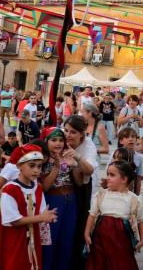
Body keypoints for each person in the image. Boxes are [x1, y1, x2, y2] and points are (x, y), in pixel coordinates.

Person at [0, 146, 57, 270]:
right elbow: (14, 220)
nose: (36, 170)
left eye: (39, 166)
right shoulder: (10, 189)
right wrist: (41, 217)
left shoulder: (37, 188)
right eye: (31, 166)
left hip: (33, 239)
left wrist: (48, 216)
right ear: (19, 166)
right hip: (15, 240)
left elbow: (41, 211)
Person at [84, 160, 143, 270]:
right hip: (100, 239)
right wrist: (87, 233)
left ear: (124, 179)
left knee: (121, 264)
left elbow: (142, 220)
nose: (108, 177)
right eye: (108, 174)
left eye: (112, 175)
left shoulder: (134, 199)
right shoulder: (101, 195)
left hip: (122, 241)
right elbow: (92, 215)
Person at [40, 127, 82, 270]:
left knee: (67, 239)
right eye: (53, 140)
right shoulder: (43, 160)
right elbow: (45, 187)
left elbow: (79, 182)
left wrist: (75, 165)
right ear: (46, 142)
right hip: (53, 201)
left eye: (60, 140)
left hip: (71, 201)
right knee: (50, 240)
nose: (58, 143)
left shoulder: (68, 156)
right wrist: (57, 167)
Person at [63, 115, 99, 270]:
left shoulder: (88, 145)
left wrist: (77, 157)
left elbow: (89, 170)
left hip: (83, 189)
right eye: (66, 130)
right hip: (62, 186)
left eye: (73, 132)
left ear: (82, 134)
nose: (68, 135)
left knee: (79, 226)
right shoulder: (61, 137)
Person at [114, 127, 143, 195]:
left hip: (129, 192)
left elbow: (138, 178)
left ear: (136, 139)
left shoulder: (139, 157)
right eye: (127, 137)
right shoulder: (116, 154)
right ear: (121, 141)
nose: (130, 139)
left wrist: (137, 196)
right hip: (115, 190)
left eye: (133, 137)